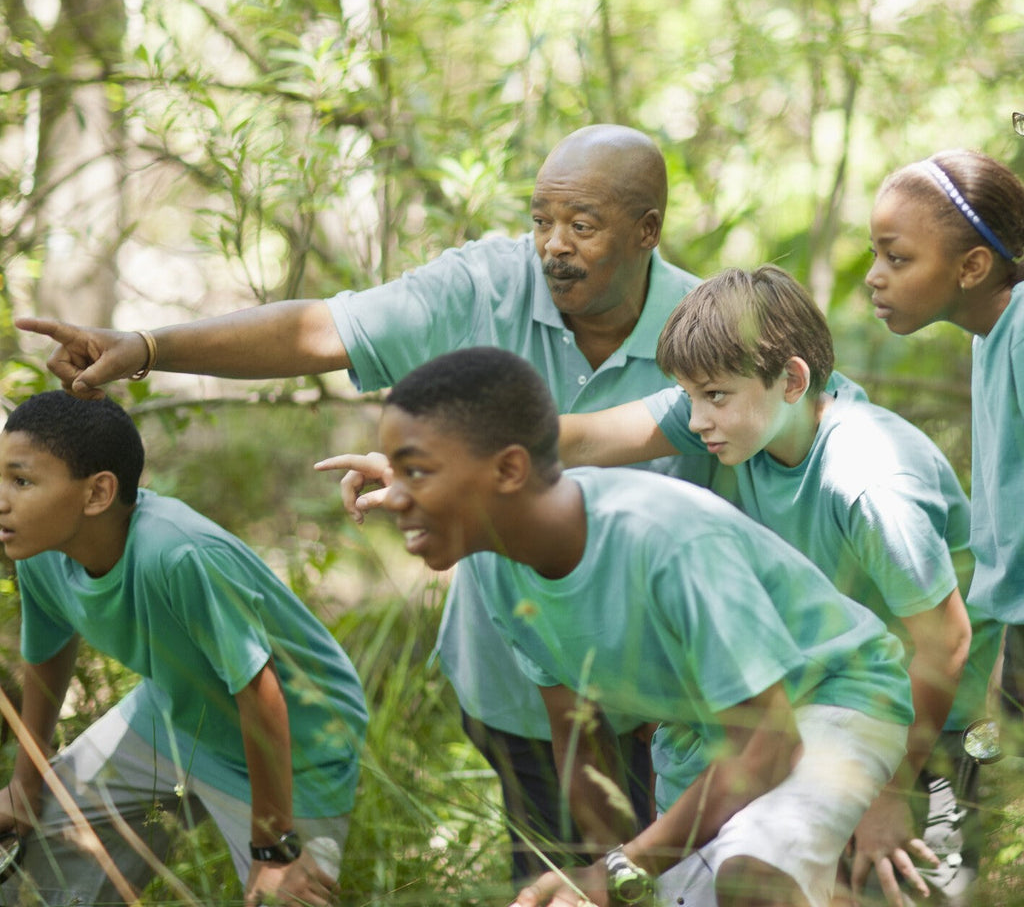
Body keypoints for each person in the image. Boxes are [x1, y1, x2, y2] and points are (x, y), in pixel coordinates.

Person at [15, 124, 707, 879]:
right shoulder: (484, 284)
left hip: (665, 695)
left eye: (581, 225)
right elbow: (318, 329)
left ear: (647, 231)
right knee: (551, 878)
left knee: (672, 880)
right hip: (516, 679)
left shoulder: (706, 335)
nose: (552, 245)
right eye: (540, 219)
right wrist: (149, 348)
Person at [320, 346, 914, 907]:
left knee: (752, 871)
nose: (394, 497)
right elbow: (579, 735)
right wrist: (606, 871)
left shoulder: (662, 541)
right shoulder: (500, 569)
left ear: (509, 469)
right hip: (707, 739)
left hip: (834, 700)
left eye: (415, 472)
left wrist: (621, 870)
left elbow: (770, 743)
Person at [524, 265, 996, 907]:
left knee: (900, 888)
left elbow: (945, 644)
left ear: (793, 379)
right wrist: (434, 469)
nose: (697, 419)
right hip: (815, 701)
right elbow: (581, 438)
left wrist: (887, 793)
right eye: (687, 395)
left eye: (714, 395)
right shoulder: (743, 412)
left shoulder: (867, 479)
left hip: (927, 727)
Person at [0, 391, 367, 906]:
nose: (1, 499)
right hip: (175, 715)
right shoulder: (39, 550)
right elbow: (47, 654)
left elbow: (261, 692)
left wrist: (272, 848)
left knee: (286, 896)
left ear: (97, 493)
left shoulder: (175, 552)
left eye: (21, 481)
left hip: (300, 743)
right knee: (31, 862)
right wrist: (26, 782)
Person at [865, 150, 1024, 735]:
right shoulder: (992, 335)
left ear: (973, 266)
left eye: (897, 257)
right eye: (876, 253)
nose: (874, 275)